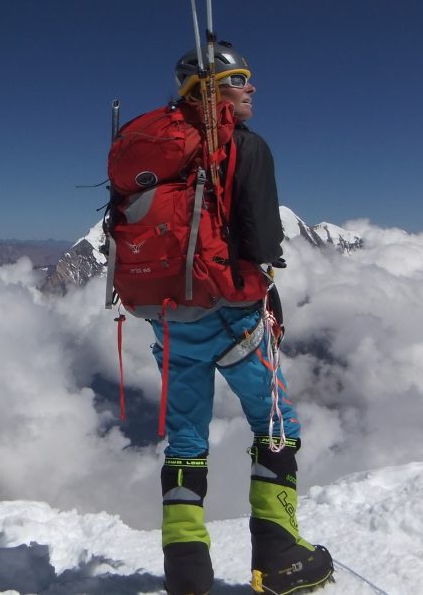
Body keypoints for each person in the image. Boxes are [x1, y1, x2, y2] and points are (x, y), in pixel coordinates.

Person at [155, 42, 334, 595]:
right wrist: (265, 289)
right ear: (209, 93)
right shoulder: (245, 147)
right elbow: (261, 238)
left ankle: (186, 572)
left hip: (167, 319)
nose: (252, 88)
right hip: (232, 315)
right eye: (239, 80)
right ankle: (280, 557)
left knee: (185, 436)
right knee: (276, 425)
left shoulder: (158, 151)